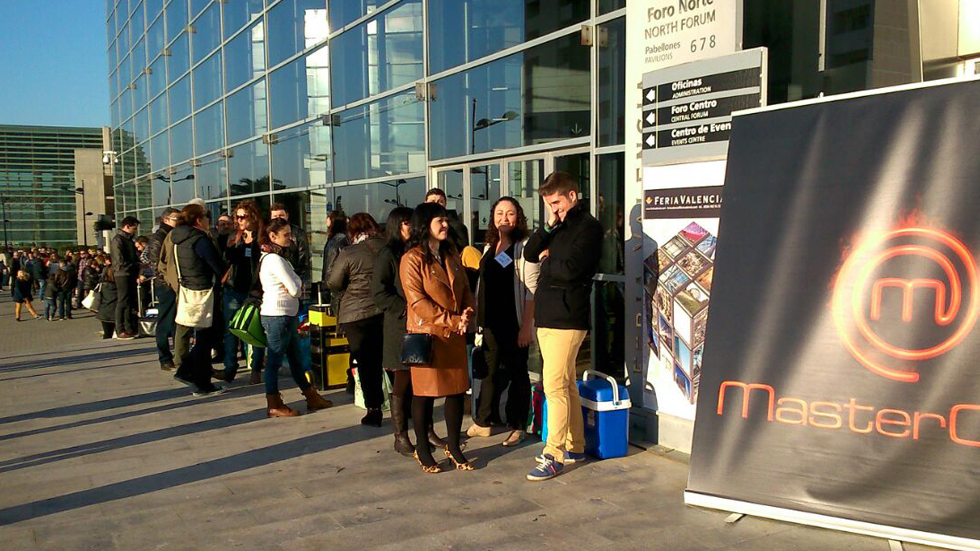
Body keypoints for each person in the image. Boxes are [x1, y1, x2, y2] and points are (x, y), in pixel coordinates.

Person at [522, 172, 603, 481]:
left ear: (572, 195)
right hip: (548, 315)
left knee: (554, 386)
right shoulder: (557, 225)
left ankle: (553, 453)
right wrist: (547, 228)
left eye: (556, 202)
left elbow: (571, 270)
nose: (553, 209)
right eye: (548, 204)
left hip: (568, 318)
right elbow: (530, 253)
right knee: (567, 384)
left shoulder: (589, 227)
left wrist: (548, 260)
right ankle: (575, 446)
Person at [399, 202, 475, 473]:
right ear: (424, 225)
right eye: (439, 220)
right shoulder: (412, 259)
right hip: (428, 335)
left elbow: (465, 288)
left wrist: (467, 312)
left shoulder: (451, 254)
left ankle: (453, 446)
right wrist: (452, 321)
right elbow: (417, 302)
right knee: (425, 395)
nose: (445, 225)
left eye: (445, 219)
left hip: (454, 333)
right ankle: (422, 447)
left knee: (456, 391)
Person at [468, 197, 539, 447]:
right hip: (490, 323)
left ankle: (517, 425)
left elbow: (532, 290)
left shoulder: (524, 247)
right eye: (499, 213)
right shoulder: (491, 246)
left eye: (510, 213)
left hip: (514, 322)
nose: (504, 218)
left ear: (518, 217)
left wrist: (526, 327)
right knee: (488, 373)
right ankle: (484, 421)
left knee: (517, 373)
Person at [258, 218, 334, 417]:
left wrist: (296, 285)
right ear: (272, 236)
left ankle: (311, 396)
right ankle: (274, 403)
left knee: (295, 359)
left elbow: (295, 285)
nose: (290, 239)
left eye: (290, 234)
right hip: (278, 315)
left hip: (285, 315)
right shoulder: (274, 259)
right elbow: (295, 289)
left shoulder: (279, 258)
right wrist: (297, 286)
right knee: (274, 361)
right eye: (285, 235)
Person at [327, 213, 387, 426]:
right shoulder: (389, 248)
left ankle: (374, 409)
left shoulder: (349, 252)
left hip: (356, 314)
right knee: (390, 360)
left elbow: (334, 282)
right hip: (385, 310)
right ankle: (403, 406)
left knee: (367, 363)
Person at [371, 207, 416, 454]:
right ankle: (400, 436)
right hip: (399, 326)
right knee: (402, 379)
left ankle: (426, 430)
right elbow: (379, 293)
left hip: (420, 325)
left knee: (421, 381)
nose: (412, 227)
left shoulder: (417, 250)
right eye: (407, 223)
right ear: (397, 226)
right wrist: (406, 308)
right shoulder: (388, 253)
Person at [170, 205, 226, 397]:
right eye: (207, 216)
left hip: (189, 290)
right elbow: (218, 266)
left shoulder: (178, 239)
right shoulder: (200, 240)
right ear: (198, 220)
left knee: (204, 337)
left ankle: (189, 372)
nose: (209, 220)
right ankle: (199, 381)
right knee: (207, 338)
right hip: (204, 292)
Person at [215, 200, 265, 384]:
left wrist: (259, 289)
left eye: (243, 217)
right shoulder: (235, 237)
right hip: (233, 288)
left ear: (253, 217)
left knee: (254, 330)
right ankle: (230, 369)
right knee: (231, 330)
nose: (240, 220)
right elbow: (226, 261)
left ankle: (256, 368)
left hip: (254, 291)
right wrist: (233, 245)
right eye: (237, 217)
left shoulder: (262, 238)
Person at [148, 208, 180, 370]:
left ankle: (178, 355)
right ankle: (165, 357)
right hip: (166, 285)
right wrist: (168, 282)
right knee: (165, 321)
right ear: (166, 219)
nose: (179, 222)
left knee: (176, 321)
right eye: (176, 219)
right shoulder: (159, 237)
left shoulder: (175, 234)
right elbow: (156, 264)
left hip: (175, 283)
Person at [270, 204, 312, 299]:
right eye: (275, 216)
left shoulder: (298, 233)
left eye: (281, 215)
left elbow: (303, 259)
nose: (278, 219)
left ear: (287, 216)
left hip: (295, 280)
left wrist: (294, 279)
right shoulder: (266, 234)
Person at [111, 216, 141, 339]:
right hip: (122, 273)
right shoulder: (118, 239)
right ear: (127, 226)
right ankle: (120, 329)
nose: (135, 231)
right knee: (123, 300)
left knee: (129, 301)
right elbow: (119, 260)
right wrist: (136, 264)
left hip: (129, 272)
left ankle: (129, 327)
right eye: (134, 228)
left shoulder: (128, 240)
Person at [320, 210, 349, 308]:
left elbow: (330, 269)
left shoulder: (335, 242)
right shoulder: (345, 239)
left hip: (335, 292)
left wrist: (326, 288)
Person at [96, 264, 119, 339]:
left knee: (107, 334)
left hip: (104, 311)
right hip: (117, 311)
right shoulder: (120, 285)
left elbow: (99, 297)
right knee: (119, 332)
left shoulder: (102, 285)